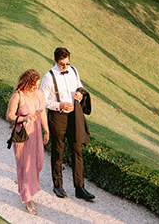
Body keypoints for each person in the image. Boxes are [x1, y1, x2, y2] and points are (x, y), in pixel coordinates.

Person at [41, 47, 95, 202]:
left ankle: (80, 188)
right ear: (55, 61)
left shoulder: (74, 71)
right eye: (62, 64)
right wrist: (59, 104)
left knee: (77, 150)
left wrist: (79, 95)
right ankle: (58, 185)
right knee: (58, 151)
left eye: (67, 63)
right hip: (57, 117)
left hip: (73, 116)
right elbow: (43, 101)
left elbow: (79, 87)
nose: (65, 66)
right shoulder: (49, 77)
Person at [7, 69, 50, 215]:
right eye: (34, 85)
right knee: (25, 166)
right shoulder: (18, 96)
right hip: (23, 135)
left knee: (38, 163)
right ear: (27, 83)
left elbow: (42, 114)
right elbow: (10, 116)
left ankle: (21, 179)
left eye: (38, 85)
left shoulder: (39, 94)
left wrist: (46, 131)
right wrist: (24, 118)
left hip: (36, 133)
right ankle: (27, 199)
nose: (36, 87)